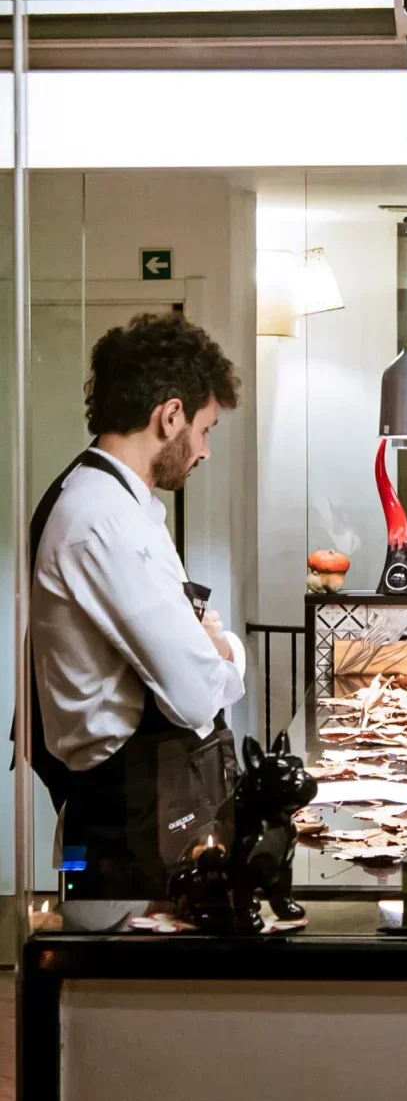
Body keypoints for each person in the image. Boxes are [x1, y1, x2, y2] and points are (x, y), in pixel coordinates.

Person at [30, 313, 246, 901]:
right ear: (169, 415)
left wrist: (210, 648)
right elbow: (195, 693)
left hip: (144, 807)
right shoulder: (103, 520)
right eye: (205, 428)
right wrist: (224, 652)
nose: (203, 450)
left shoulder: (117, 505)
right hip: (125, 825)